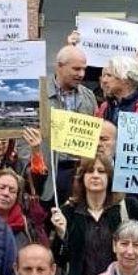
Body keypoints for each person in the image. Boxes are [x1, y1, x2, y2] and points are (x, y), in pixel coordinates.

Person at [53, 154, 138, 275]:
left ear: (110, 177)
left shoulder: (126, 206)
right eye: (90, 171)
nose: (95, 175)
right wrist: (61, 235)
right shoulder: (68, 212)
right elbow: (59, 260)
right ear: (82, 177)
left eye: (101, 171)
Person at [45, 43, 99, 204]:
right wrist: (28, 166)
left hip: (78, 171)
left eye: (84, 69)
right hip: (49, 170)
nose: (81, 74)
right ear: (59, 67)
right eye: (76, 69)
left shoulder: (88, 97)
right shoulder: (40, 94)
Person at [0, 168, 50, 248]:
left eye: (12, 191)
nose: (6, 193)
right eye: (1, 188)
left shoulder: (27, 227)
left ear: (16, 197)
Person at [96, 55, 138, 125]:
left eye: (109, 75)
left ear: (126, 79)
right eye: (103, 76)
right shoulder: (104, 107)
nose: (104, 80)